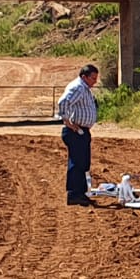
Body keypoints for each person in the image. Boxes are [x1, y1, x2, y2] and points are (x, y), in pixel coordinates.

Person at [57, 64, 101, 207]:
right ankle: (74, 194)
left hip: (82, 131)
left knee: (82, 163)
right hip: (76, 131)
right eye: (93, 78)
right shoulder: (78, 87)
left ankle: (80, 193)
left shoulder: (84, 88)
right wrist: (68, 121)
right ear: (84, 77)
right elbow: (63, 102)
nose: (95, 81)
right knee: (76, 163)